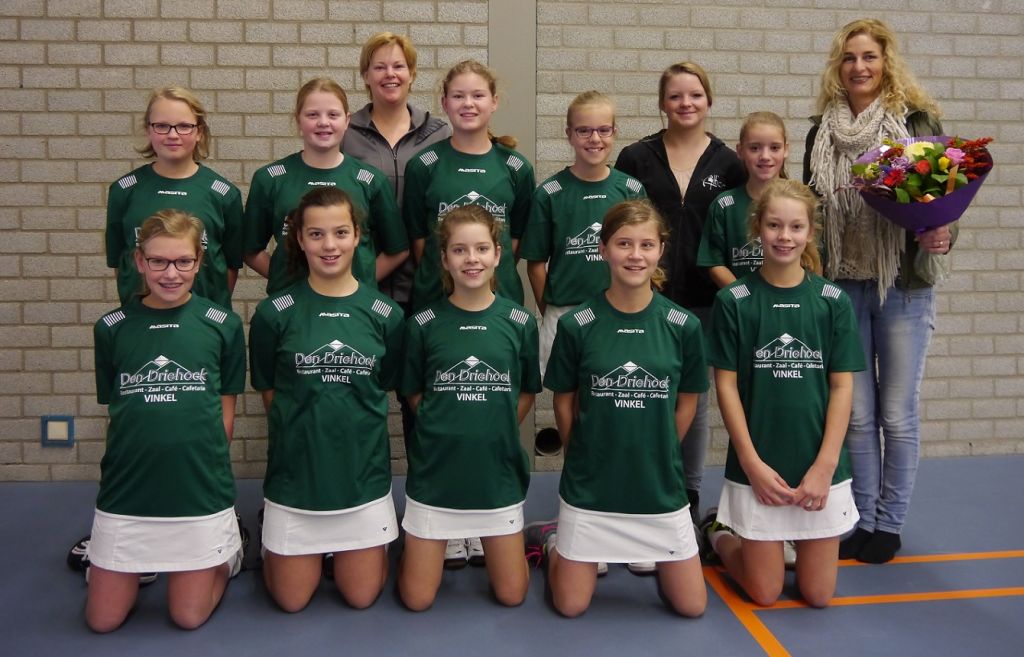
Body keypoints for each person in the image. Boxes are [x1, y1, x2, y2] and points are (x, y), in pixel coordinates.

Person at [804, 18, 950, 564]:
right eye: (849, 58)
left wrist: (942, 233)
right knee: (857, 417)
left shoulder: (916, 123)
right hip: (842, 287)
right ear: (837, 67)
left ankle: (889, 524)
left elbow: (944, 201)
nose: (859, 67)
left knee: (897, 415)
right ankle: (861, 519)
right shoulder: (821, 132)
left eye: (869, 56)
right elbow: (812, 212)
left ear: (886, 62)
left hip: (902, 286)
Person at [529, 199, 708, 618]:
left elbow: (688, 399)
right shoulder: (577, 324)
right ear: (603, 249)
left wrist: (664, 446)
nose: (635, 255)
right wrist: (579, 450)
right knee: (570, 605)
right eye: (624, 243)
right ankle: (555, 542)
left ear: (661, 250)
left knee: (692, 606)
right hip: (592, 484)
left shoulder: (684, 326)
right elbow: (564, 399)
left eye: (646, 245)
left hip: (657, 483)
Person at [702, 179, 865, 608]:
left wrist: (825, 466)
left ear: (810, 232)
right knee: (765, 593)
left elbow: (842, 385)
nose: (784, 236)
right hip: (760, 464)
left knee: (818, 595)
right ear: (757, 228)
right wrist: (751, 463)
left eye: (796, 227)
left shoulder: (832, 301)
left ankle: (780, 540)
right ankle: (720, 535)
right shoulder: (735, 300)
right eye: (774, 225)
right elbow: (726, 385)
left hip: (818, 463)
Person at [86, 209, 246, 632]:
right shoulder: (112, 328)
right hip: (129, 489)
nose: (171, 273)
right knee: (102, 621)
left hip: (197, 487)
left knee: (187, 617)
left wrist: (210, 470)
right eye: (158, 261)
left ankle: (226, 555)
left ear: (199, 261)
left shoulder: (223, 325)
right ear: (140, 261)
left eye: (182, 261)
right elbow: (118, 407)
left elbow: (225, 409)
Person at [248, 187, 404, 612]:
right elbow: (270, 392)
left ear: (358, 236)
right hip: (297, 481)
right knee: (291, 601)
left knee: (361, 597)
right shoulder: (274, 314)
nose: (329, 245)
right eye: (316, 234)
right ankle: (259, 539)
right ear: (299, 239)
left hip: (361, 480)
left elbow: (383, 386)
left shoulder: (387, 315)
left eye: (340, 232)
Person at [615, 62, 745, 531]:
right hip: (643, 298)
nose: (685, 103)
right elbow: (619, 227)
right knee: (640, 393)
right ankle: (631, 485)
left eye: (694, 95)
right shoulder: (636, 157)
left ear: (709, 101)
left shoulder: (729, 164)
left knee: (694, 397)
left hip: (706, 300)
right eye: (675, 96)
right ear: (662, 103)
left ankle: (686, 494)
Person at [398, 205, 540, 611]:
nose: (471, 259)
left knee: (512, 596)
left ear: (498, 254)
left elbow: (527, 390)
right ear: (444, 259)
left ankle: (541, 537)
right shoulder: (423, 323)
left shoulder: (519, 321)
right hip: (437, 474)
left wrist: (495, 426)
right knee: (416, 600)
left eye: (481, 248)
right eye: (459, 250)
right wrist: (443, 424)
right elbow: (413, 392)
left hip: (496, 474)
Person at [341, 31, 451, 495]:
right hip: (360, 289)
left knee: (418, 400)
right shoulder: (344, 132)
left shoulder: (439, 132)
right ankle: (360, 500)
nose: (390, 74)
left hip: (422, 290)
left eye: (399, 65)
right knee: (355, 396)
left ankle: (428, 501)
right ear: (365, 75)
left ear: (412, 73)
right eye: (380, 66)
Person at [244, 78, 408, 295]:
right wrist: (284, 282)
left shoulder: (370, 180)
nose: (323, 122)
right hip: (294, 305)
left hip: (353, 306)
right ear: (298, 120)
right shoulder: (270, 179)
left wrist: (361, 283)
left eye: (333, 115)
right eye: (313, 115)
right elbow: (249, 250)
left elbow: (397, 250)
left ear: (347, 121)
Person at [521, 90, 646, 375]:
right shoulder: (549, 193)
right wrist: (552, 311)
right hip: (563, 311)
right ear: (569, 134)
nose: (594, 138)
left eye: (604, 130)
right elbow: (536, 264)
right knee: (566, 392)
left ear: (615, 132)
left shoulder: (631, 190)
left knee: (611, 386)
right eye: (584, 130)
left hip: (619, 311)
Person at [402, 59, 535, 312]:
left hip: (500, 297)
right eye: (458, 96)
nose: (468, 103)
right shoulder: (423, 165)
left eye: (478, 95)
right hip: (435, 298)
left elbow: (515, 240)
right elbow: (418, 239)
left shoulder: (517, 168)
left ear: (494, 102)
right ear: (445, 103)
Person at [105, 86, 243, 309]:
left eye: (184, 126)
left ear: (199, 132)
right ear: (148, 130)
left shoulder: (223, 193)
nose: (172, 135)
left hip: (203, 319)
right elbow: (121, 262)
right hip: (140, 318)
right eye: (161, 126)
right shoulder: (124, 190)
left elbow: (230, 265)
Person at [698, 111, 790, 287]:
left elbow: (813, 260)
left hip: (789, 301)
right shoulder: (724, 205)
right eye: (754, 148)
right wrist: (744, 297)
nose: (765, 156)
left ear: (786, 150)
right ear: (740, 151)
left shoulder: (801, 202)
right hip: (740, 301)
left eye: (774, 148)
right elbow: (714, 262)